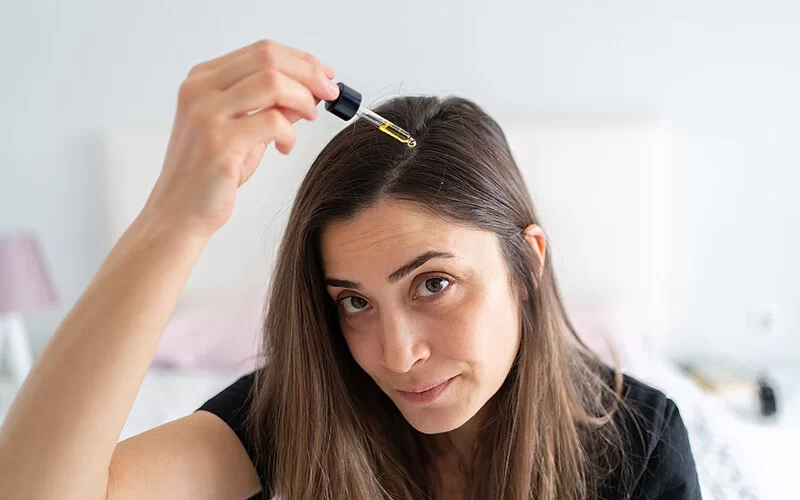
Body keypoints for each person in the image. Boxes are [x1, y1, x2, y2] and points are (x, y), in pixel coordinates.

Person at [0, 39, 700, 500]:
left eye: (434, 284)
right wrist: (173, 219)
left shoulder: (637, 443)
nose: (397, 355)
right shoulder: (297, 411)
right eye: (354, 302)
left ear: (528, 264)